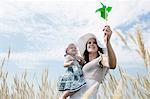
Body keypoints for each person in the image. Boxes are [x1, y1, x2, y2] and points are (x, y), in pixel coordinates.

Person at [69, 25, 117, 99]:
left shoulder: (101, 59)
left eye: (94, 42)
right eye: (89, 42)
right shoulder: (84, 64)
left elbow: (112, 65)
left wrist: (107, 42)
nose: (91, 44)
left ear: (98, 47)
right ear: (86, 46)